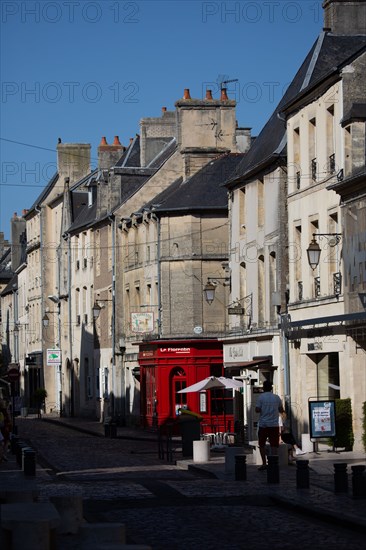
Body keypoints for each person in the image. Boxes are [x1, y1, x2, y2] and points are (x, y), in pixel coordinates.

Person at [255, 380, 284, 471]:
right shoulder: (277, 398)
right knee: (274, 445)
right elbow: (281, 409)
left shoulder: (261, 397)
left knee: (262, 444)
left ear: (264, 388)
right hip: (274, 424)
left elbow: (257, 409)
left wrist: (263, 409)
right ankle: (274, 463)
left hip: (263, 424)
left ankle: (264, 463)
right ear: (271, 388)